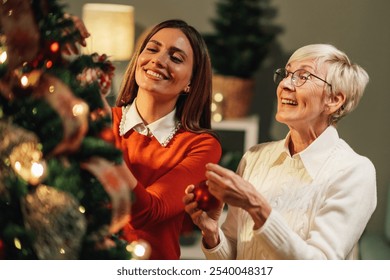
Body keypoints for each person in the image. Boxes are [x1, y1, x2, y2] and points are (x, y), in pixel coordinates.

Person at [183, 43, 377, 260]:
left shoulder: (354, 172)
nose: (285, 84)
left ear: (334, 100)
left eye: (302, 76)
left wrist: (257, 206)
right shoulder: (255, 157)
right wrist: (212, 234)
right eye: (286, 74)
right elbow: (232, 261)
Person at [101, 19, 221, 260]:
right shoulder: (102, 121)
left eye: (176, 58)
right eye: (152, 49)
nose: (158, 60)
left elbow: (149, 212)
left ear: (190, 82)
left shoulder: (201, 146)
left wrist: (100, 143)